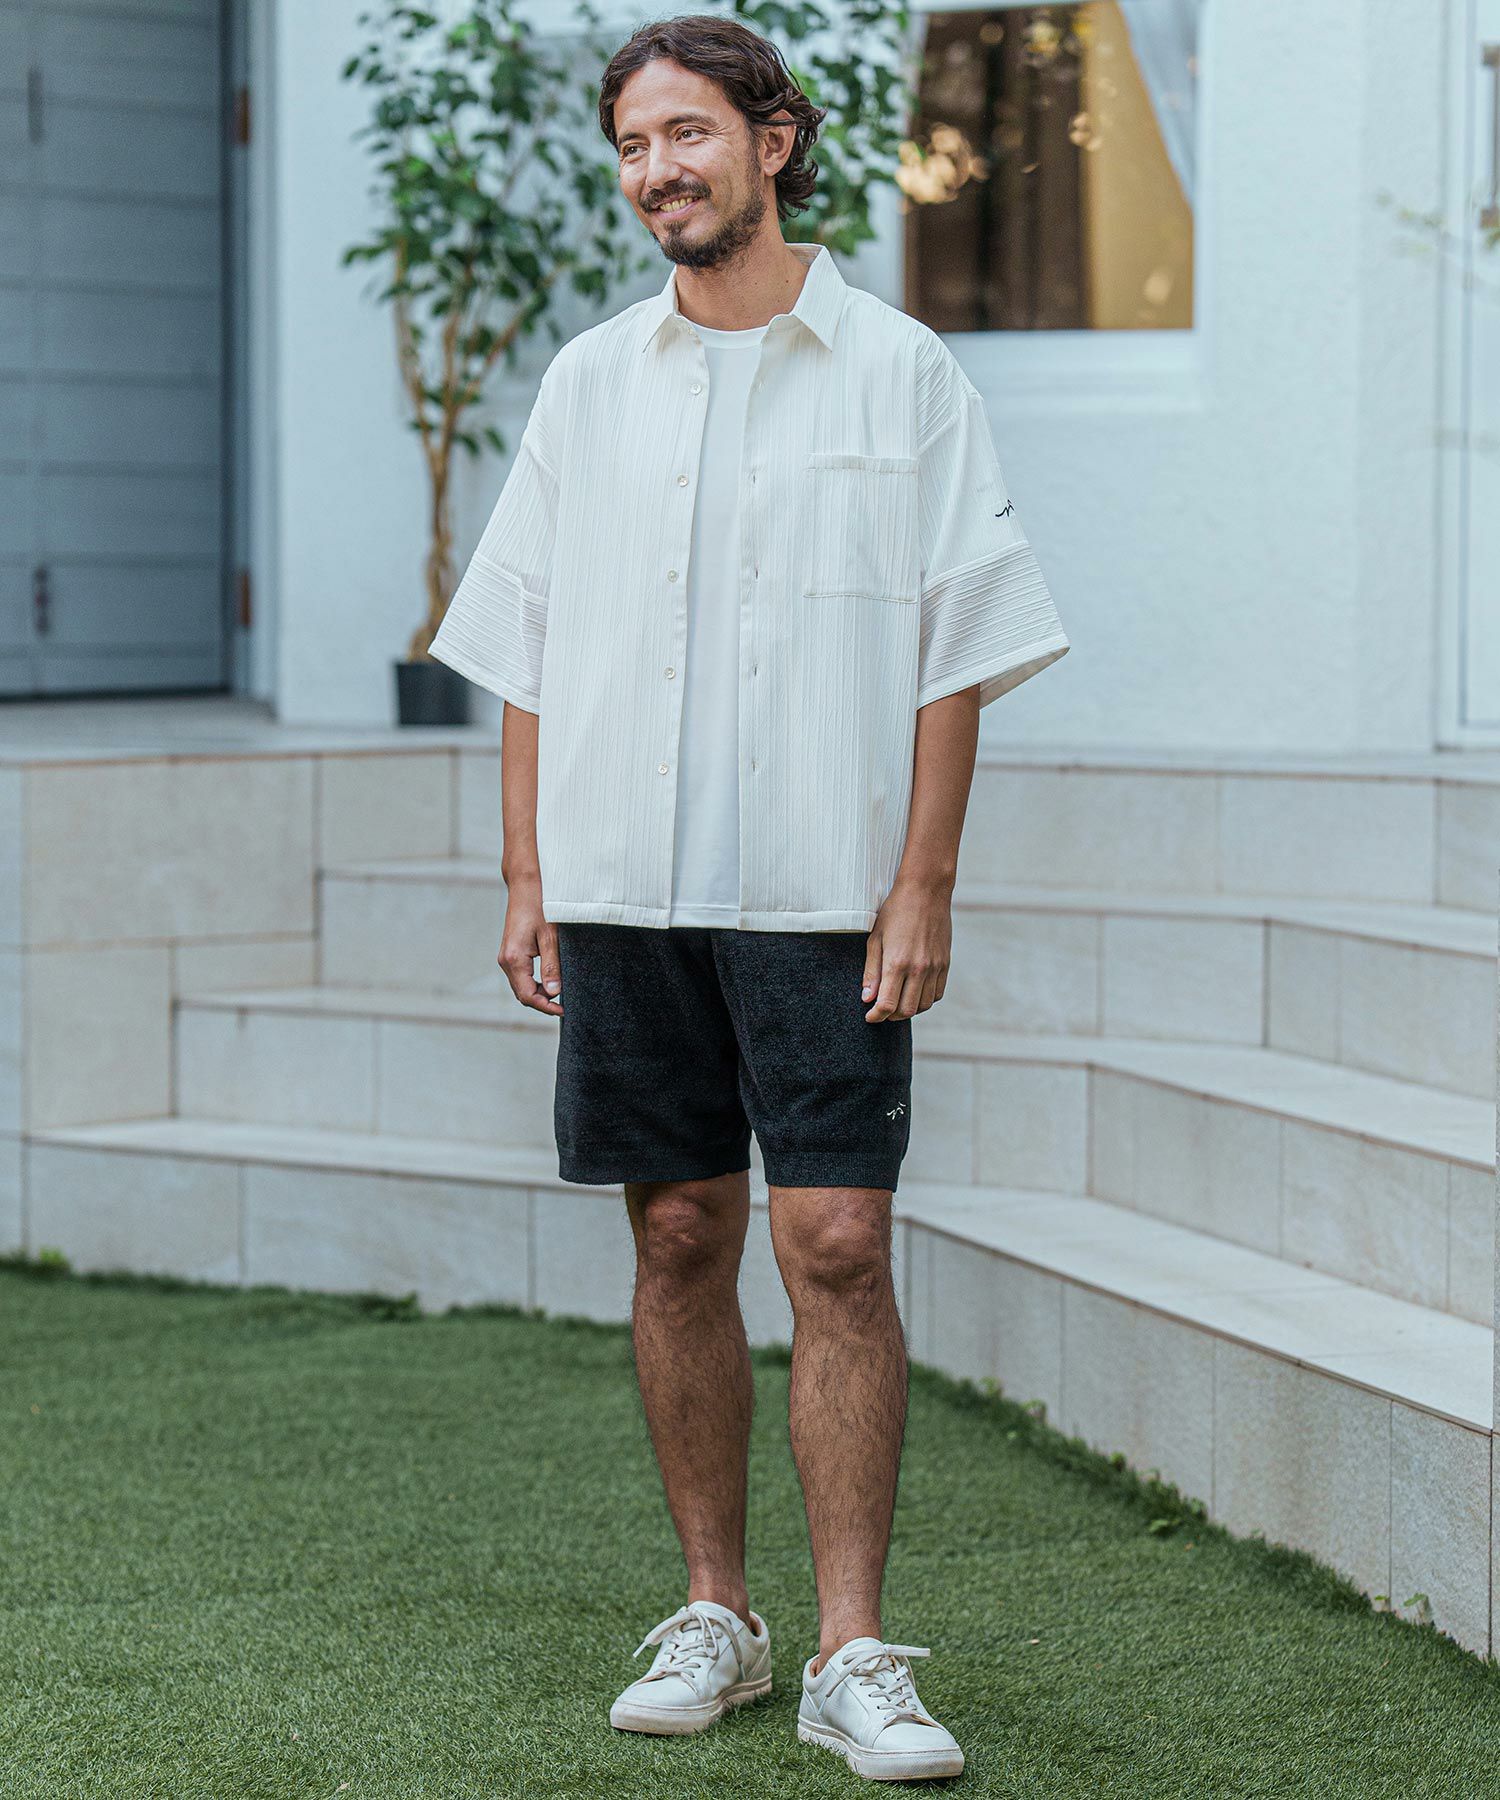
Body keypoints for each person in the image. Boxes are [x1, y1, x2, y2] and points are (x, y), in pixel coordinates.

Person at [430, 13, 1069, 1785]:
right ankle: (718, 1611)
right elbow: (526, 642)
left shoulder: (901, 374)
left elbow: (961, 639)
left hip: (820, 889)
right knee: (677, 1237)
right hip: (626, 890)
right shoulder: (590, 382)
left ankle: (855, 1652)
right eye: (636, 147)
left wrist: (923, 880)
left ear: (773, 142)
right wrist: (529, 871)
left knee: (837, 1244)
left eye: (689, 136)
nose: (660, 173)